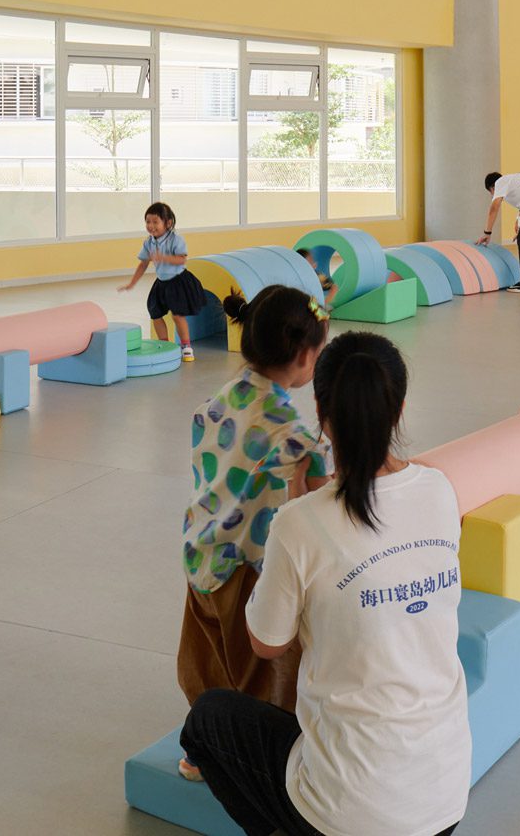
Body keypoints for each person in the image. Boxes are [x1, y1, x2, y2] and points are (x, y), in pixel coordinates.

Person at [179, 332, 471, 836]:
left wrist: (292, 509)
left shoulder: (300, 522)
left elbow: (266, 644)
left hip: (349, 814)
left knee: (207, 718)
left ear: (319, 408)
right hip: (444, 797)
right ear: (398, 408)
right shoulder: (441, 490)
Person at [176, 286, 331, 781]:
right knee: (258, 672)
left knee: (204, 659)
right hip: (246, 564)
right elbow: (323, 498)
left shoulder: (218, 399)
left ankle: (198, 748)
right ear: (307, 356)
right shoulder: (291, 431)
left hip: (200, 552)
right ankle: (245, 760)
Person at [118, 202, 198, 361]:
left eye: (155, 222)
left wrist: (164, 257)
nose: (151, 226)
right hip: (162, 282)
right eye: (148, 221)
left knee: (177, 315)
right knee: (155, 313)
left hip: (178, 281)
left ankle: (186, 346)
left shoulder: (176, 239)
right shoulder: (149, 242)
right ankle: (165, 344)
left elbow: (182, 259)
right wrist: (132, 283)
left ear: (167, 223)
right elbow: (143, 264)